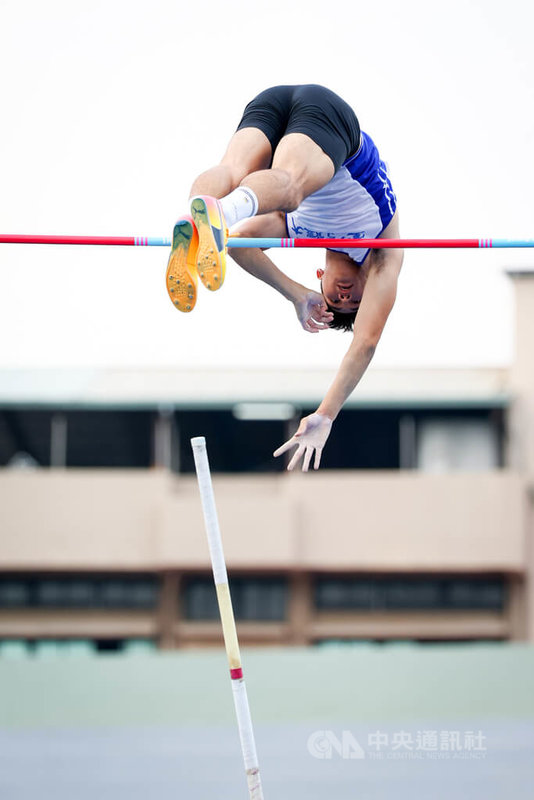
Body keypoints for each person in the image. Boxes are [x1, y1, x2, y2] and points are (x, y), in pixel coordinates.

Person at [166, 84, 403, 471]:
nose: (344, 297)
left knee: (232, 173)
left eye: (335, 301)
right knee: (288, 187)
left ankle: (197, 219)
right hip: (334, 122)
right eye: (354, 300)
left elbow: (239, 244)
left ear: (319, 278)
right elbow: (366, 341)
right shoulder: (381, 254)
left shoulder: (300, 231)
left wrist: (294, 294)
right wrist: (326, 414)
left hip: (272, 103)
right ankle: (218, 215)